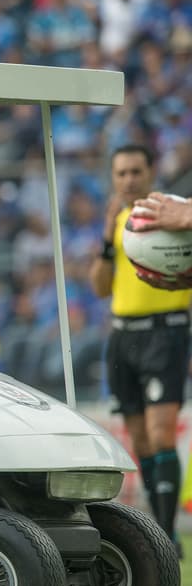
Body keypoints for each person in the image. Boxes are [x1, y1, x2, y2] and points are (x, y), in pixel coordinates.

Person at [88, 145, 187, 556]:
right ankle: (160, 528)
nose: (128, 179)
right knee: (142, 440)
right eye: (121, 173)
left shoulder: (172, 216)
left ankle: (164, 534)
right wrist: (108, 240)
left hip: (166, 331)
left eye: (136, 171)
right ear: (113, 178)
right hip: (123, 335)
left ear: (150, 174)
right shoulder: (118, 223)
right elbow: (99, 287)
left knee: (163, 433)